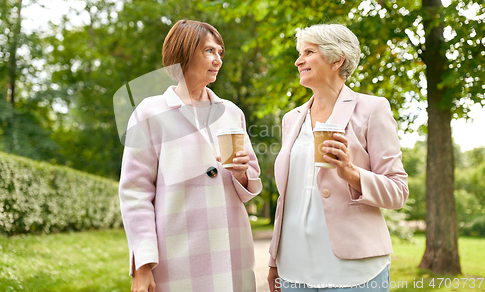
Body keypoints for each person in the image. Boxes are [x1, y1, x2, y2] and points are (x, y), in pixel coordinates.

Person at [119, 19, 262, 292]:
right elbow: (135, 193)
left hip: (232, 252)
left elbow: (249, 186)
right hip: (177, 257)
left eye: (220, 53)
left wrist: (242, 173)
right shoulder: (150, 112)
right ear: (183, 53)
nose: (218, 59)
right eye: (209, 51)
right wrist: (143, 265)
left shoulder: (232, 112)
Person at [267, 24, 409, 292]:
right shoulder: (291, 119)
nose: (298, 61)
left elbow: (398, 191)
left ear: (337, 59)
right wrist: (274, 260)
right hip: (293, 270)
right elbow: (286, 198)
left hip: (353, 272)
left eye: (308, 52)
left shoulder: (372, 109)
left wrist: (351, 173)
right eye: (299, 53)